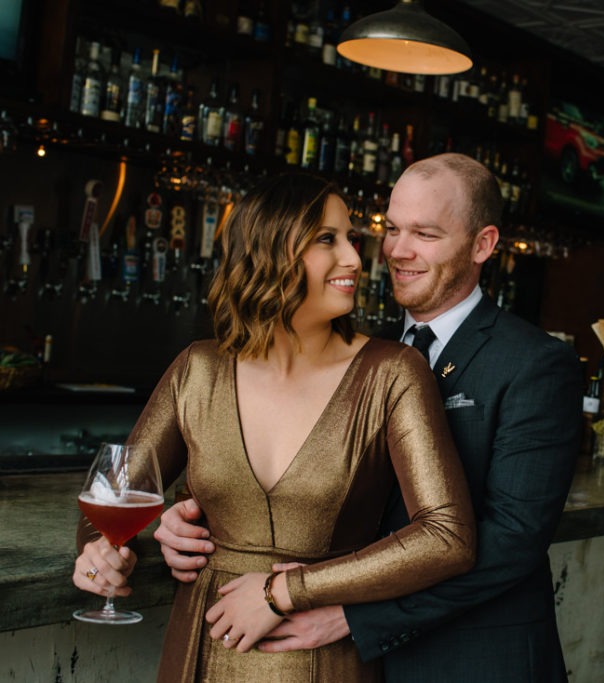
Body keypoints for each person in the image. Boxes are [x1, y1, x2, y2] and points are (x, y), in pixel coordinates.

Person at [156, 153, 583, 681]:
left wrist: (354, 614)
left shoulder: (536, 363)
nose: (396, 251)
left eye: (424, 234)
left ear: (483, 245)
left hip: (469, 658)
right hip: (350, 664)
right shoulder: (359, 346)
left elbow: (513, 539)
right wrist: (187, 516)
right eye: (391, 228)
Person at [71, 173, 476, 683]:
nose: (355, 258)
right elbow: (111, 497)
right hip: (199, 649)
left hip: (322, 656)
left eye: (352, 238)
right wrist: (101, 554)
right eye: (327, 239)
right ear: (270, 251)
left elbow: (448, 537)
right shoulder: (198, 370)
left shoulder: (392, 372)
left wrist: (288, 590)